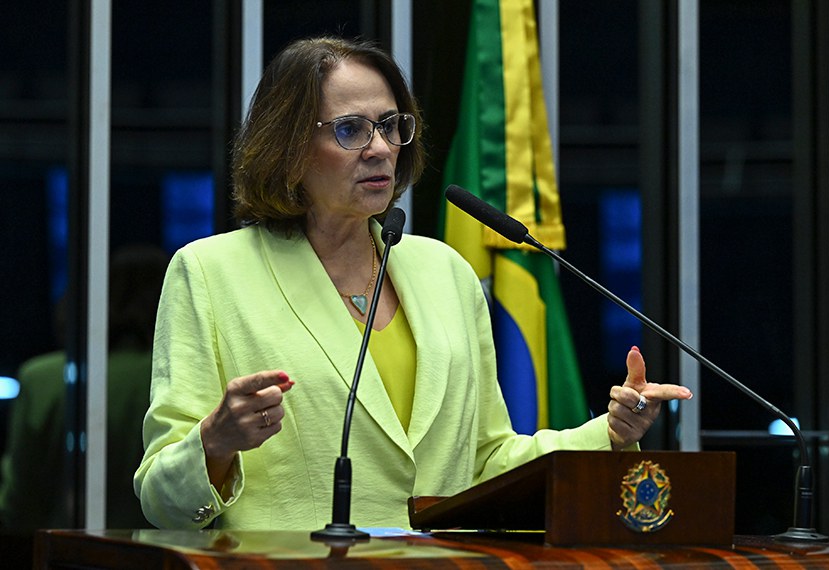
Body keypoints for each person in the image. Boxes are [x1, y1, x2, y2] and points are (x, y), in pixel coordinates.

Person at [134, 36, 692, 531]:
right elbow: (161, 498)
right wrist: (215, 443)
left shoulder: (443, 272)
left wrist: (611, 434)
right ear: (289, 147)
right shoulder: (210, 271)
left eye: (392, 125)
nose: (380, 148)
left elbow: (486, 461)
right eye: (350, 129)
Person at [0, 244, 168, 530]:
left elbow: (20, 498)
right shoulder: (170, 376)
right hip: (167, 551)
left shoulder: (44, 378)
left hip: (68, 549)